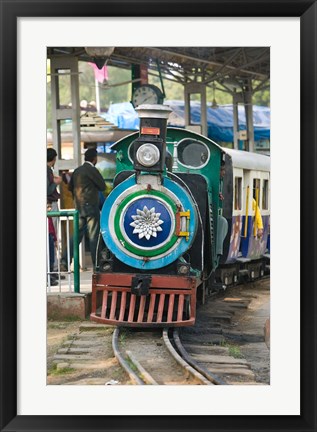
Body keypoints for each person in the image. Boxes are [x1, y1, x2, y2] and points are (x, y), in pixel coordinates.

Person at [61, 148, 105, 270]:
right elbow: (102, 185)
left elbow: (70, 187)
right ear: (94, 158)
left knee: (75, 236)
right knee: (93, 236)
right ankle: (97, 265)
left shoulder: (77, 171)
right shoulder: (92, 170)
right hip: (91, 207)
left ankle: (64, 261)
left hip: (79, 208)